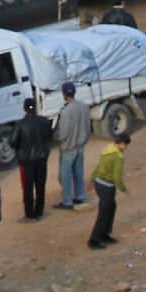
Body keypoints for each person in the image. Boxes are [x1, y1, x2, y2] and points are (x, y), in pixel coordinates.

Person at [52, 80, 91, 210]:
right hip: (81, 145)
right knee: (78, 172)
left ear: (64, 94)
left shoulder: (65, 111)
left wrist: (56, 137)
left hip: (68, 148)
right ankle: (80, 196)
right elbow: (87, 126)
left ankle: (67, 201)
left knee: (64, 175)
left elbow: (63, 132)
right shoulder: (84, 106)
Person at [13, 96, 53, 219]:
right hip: (41, 159)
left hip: (26, 161)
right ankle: (39, 211)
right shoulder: (44, 121)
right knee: (40, 186)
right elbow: (49, 137)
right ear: (35, 107)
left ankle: (29, 213)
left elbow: (13, 141)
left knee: (28, 187)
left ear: (24, 108)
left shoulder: (20, 124)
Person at [88, 133, 129, 249]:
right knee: (105, 212)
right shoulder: (118, 157)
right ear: (120, 144)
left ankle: (104, 234)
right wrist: (123, 189)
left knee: (110, 207)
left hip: (99, 183)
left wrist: (92, 180)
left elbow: (99, 166)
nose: (125, 147)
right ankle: (94, 240)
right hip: (107, 186)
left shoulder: (108, 149)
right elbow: (117, 177)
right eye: (125, 145)